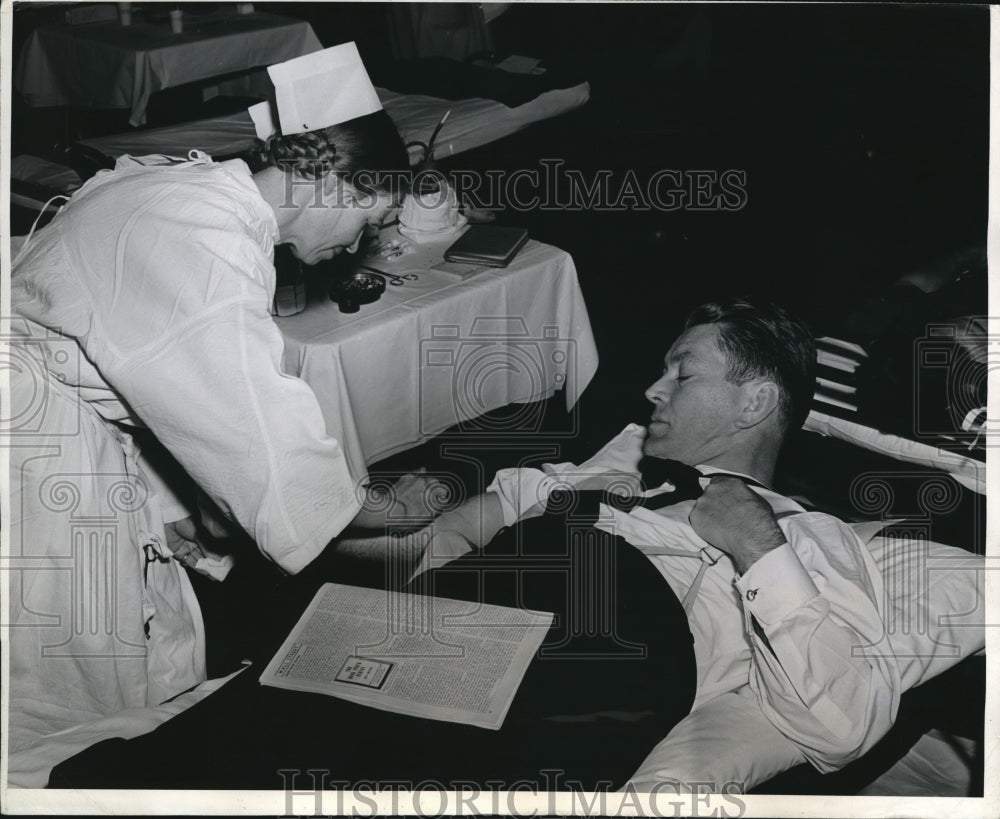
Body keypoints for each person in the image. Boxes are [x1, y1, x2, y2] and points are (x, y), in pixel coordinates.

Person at [5, 44, 435, 783]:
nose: (358, 242)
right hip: (32, 447)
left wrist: (187, 504)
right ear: (332, 180)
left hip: (58, 417)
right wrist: (377, 507)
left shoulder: (194, 191)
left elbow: (151, 374)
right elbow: (255, 424)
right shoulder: (207, 241)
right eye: (373, 214)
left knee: (124, 642)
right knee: (56, 679)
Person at [404, 296, 985, 792]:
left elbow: (841, 724)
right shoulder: (610, 478)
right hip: (461, 615)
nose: (654, 390)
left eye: (682, 375)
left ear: (754, 404)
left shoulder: (804, 538)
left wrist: (756, 546)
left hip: (602, 644)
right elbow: (472, 521)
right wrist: (439, 566)